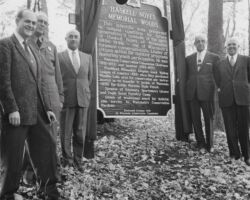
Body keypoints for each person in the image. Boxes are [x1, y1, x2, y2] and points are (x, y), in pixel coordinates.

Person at [0, 9, 60, 199]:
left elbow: (39, 81)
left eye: (34, 23)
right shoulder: (5, 45)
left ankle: (48, 191)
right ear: (17, 21)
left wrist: (48, 108)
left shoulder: (33, 49)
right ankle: (8, 194)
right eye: (28, 22)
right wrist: (11, 109)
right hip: (17, 114)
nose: (32, 26)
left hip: (38, 112)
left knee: (47, 148)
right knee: (14, 158)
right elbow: (3, 81)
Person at [22, 11, 64, 185]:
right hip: (32, 100)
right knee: (31, 140)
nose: (42, 25)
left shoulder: (52, 47)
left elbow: (58, 76)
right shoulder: (24, 44)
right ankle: (30, 175)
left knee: (51, 139)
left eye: (46, 23)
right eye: (39, 21)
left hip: (52, 100)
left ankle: (51, 174)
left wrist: (60, 98)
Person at [58, 29, 93, 172]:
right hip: (66, 100)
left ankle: (78, 161)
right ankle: (67, 161)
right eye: (70, 36)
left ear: (79, 39)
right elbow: (57, 78)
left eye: (76, 37)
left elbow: (89, 79)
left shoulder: (87, 57)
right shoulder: (59, 57)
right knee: (66, 133)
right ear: (66, 39)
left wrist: (83, 92)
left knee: (80, 132)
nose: (73, 39)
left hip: (83, 99)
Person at [214, 37, 250, 166]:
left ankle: (247, 155)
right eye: (229, 45)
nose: (231, 47)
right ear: (226, 47)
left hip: (243, 99)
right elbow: (217, 80)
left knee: (244, 129)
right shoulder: (219, 64)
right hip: (227, 99)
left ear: (238, 46)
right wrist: (222, 89)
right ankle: (235, 154)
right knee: (230, 129)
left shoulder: (246, 60)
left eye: (234, 44)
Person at [185, 34, 219, 153]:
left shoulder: (214, 58)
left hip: (207, 94)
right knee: (196, 119)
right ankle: (201, 143)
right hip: (192, 93)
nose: (200, 43)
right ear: (194, 44)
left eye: (202, 41)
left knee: (208, 119)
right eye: (198, 41)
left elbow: (218, 75)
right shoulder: (189, 59)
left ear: (205, 43)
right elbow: (186, 75)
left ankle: (210, 145)